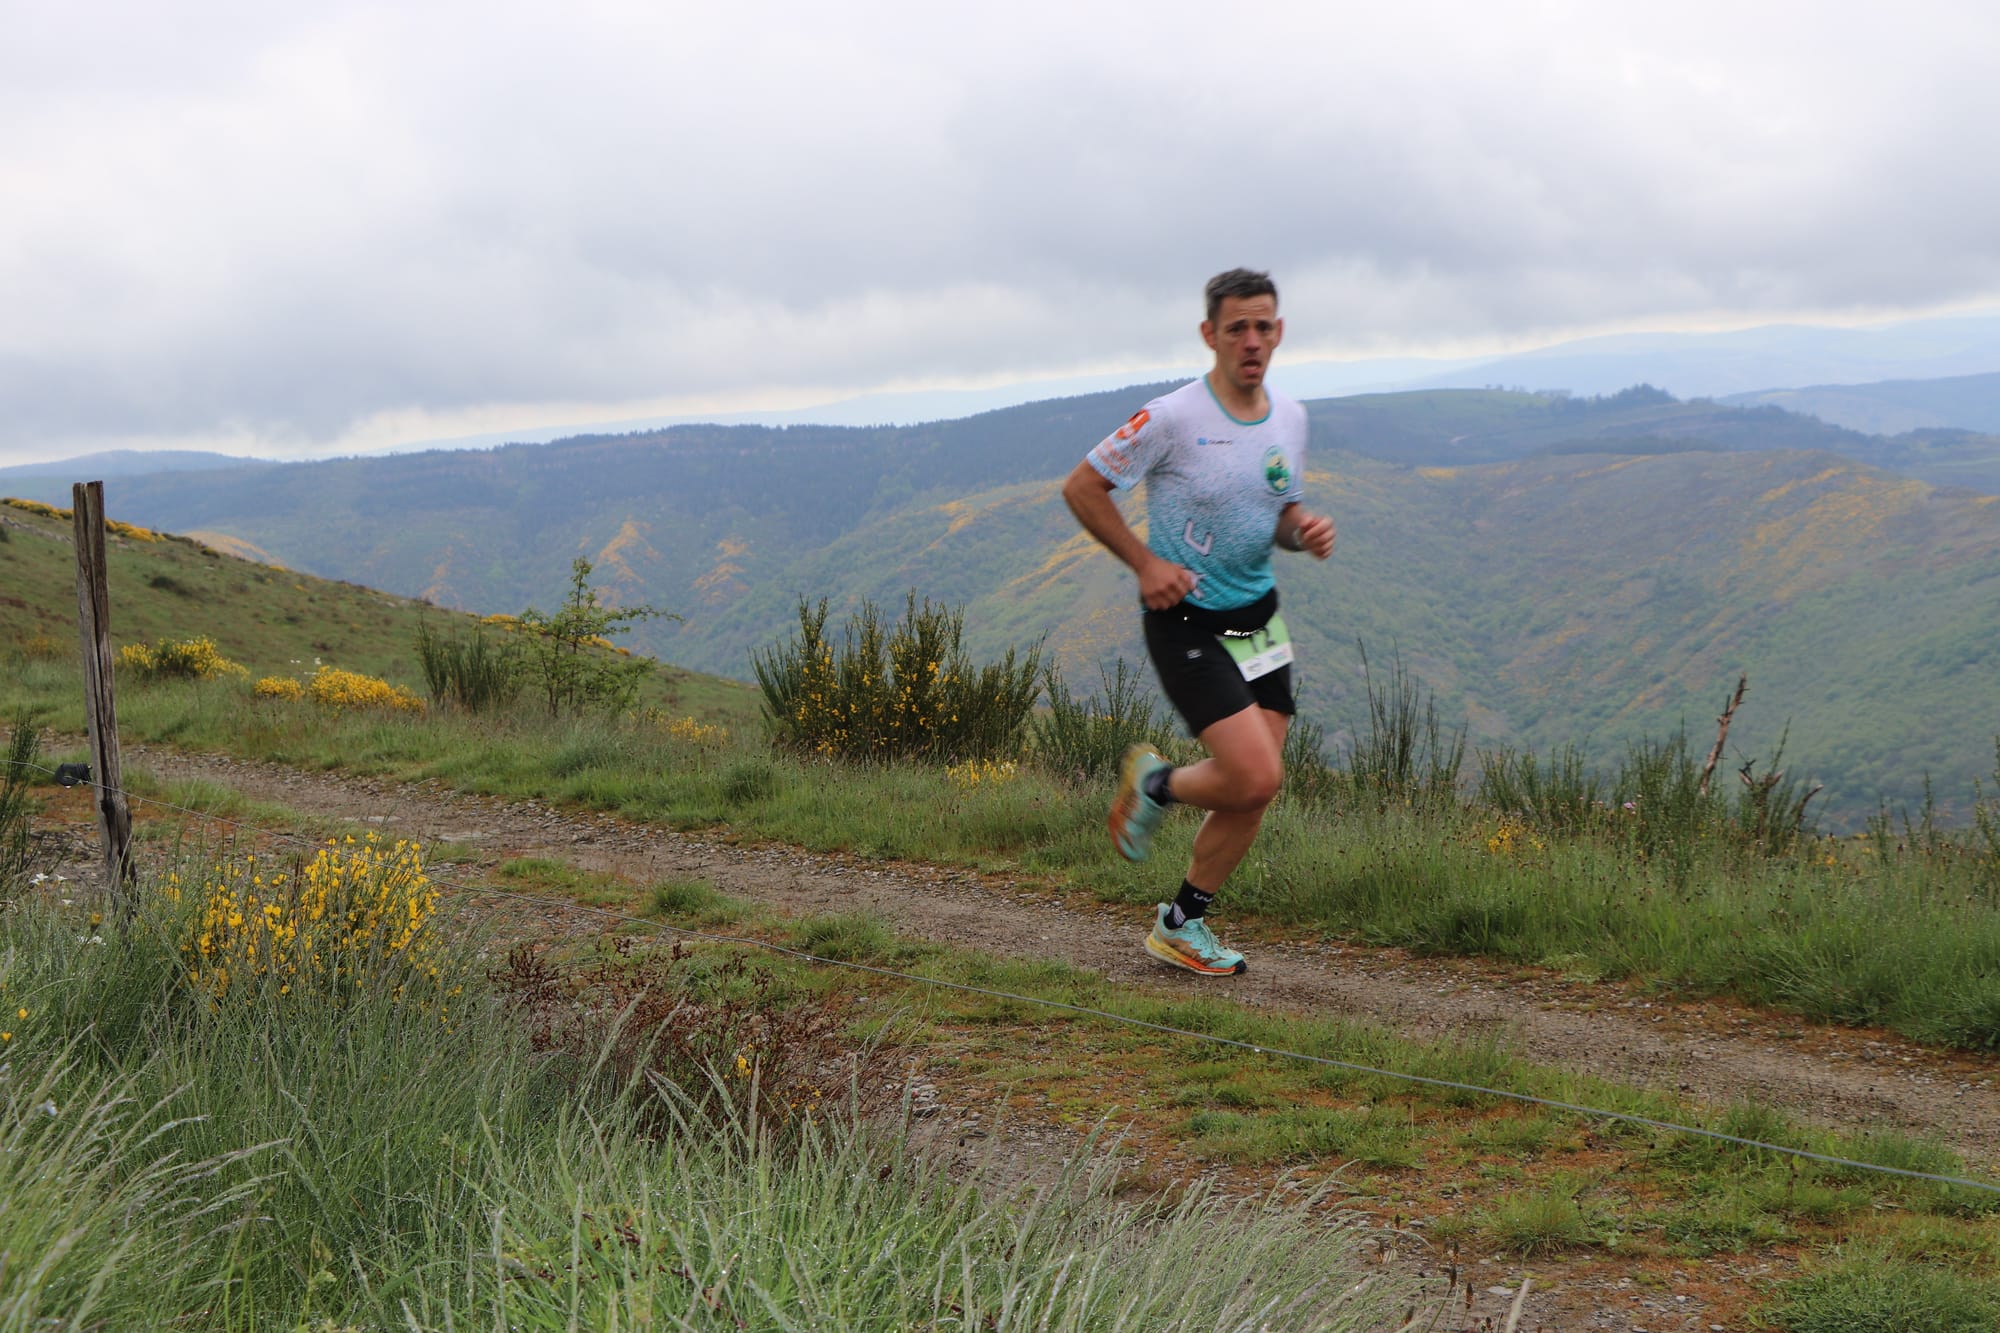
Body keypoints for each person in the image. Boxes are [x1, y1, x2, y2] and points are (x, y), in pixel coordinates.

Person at [1060, 268, 1335, 976]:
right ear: (1209, 334)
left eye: (1264, 326)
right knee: (1251, 774)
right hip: (1185, 618)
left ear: (1280, 333)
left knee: (1258, 785)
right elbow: (1083, 486)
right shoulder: (1175, 417)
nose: (1252, 340)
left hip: (1259, 618)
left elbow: (1277, 514)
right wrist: (1145, 563)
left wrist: (1301, 528)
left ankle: (1182, 922)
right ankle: (1155, 786)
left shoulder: (1291, 418)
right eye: (1237, 327)